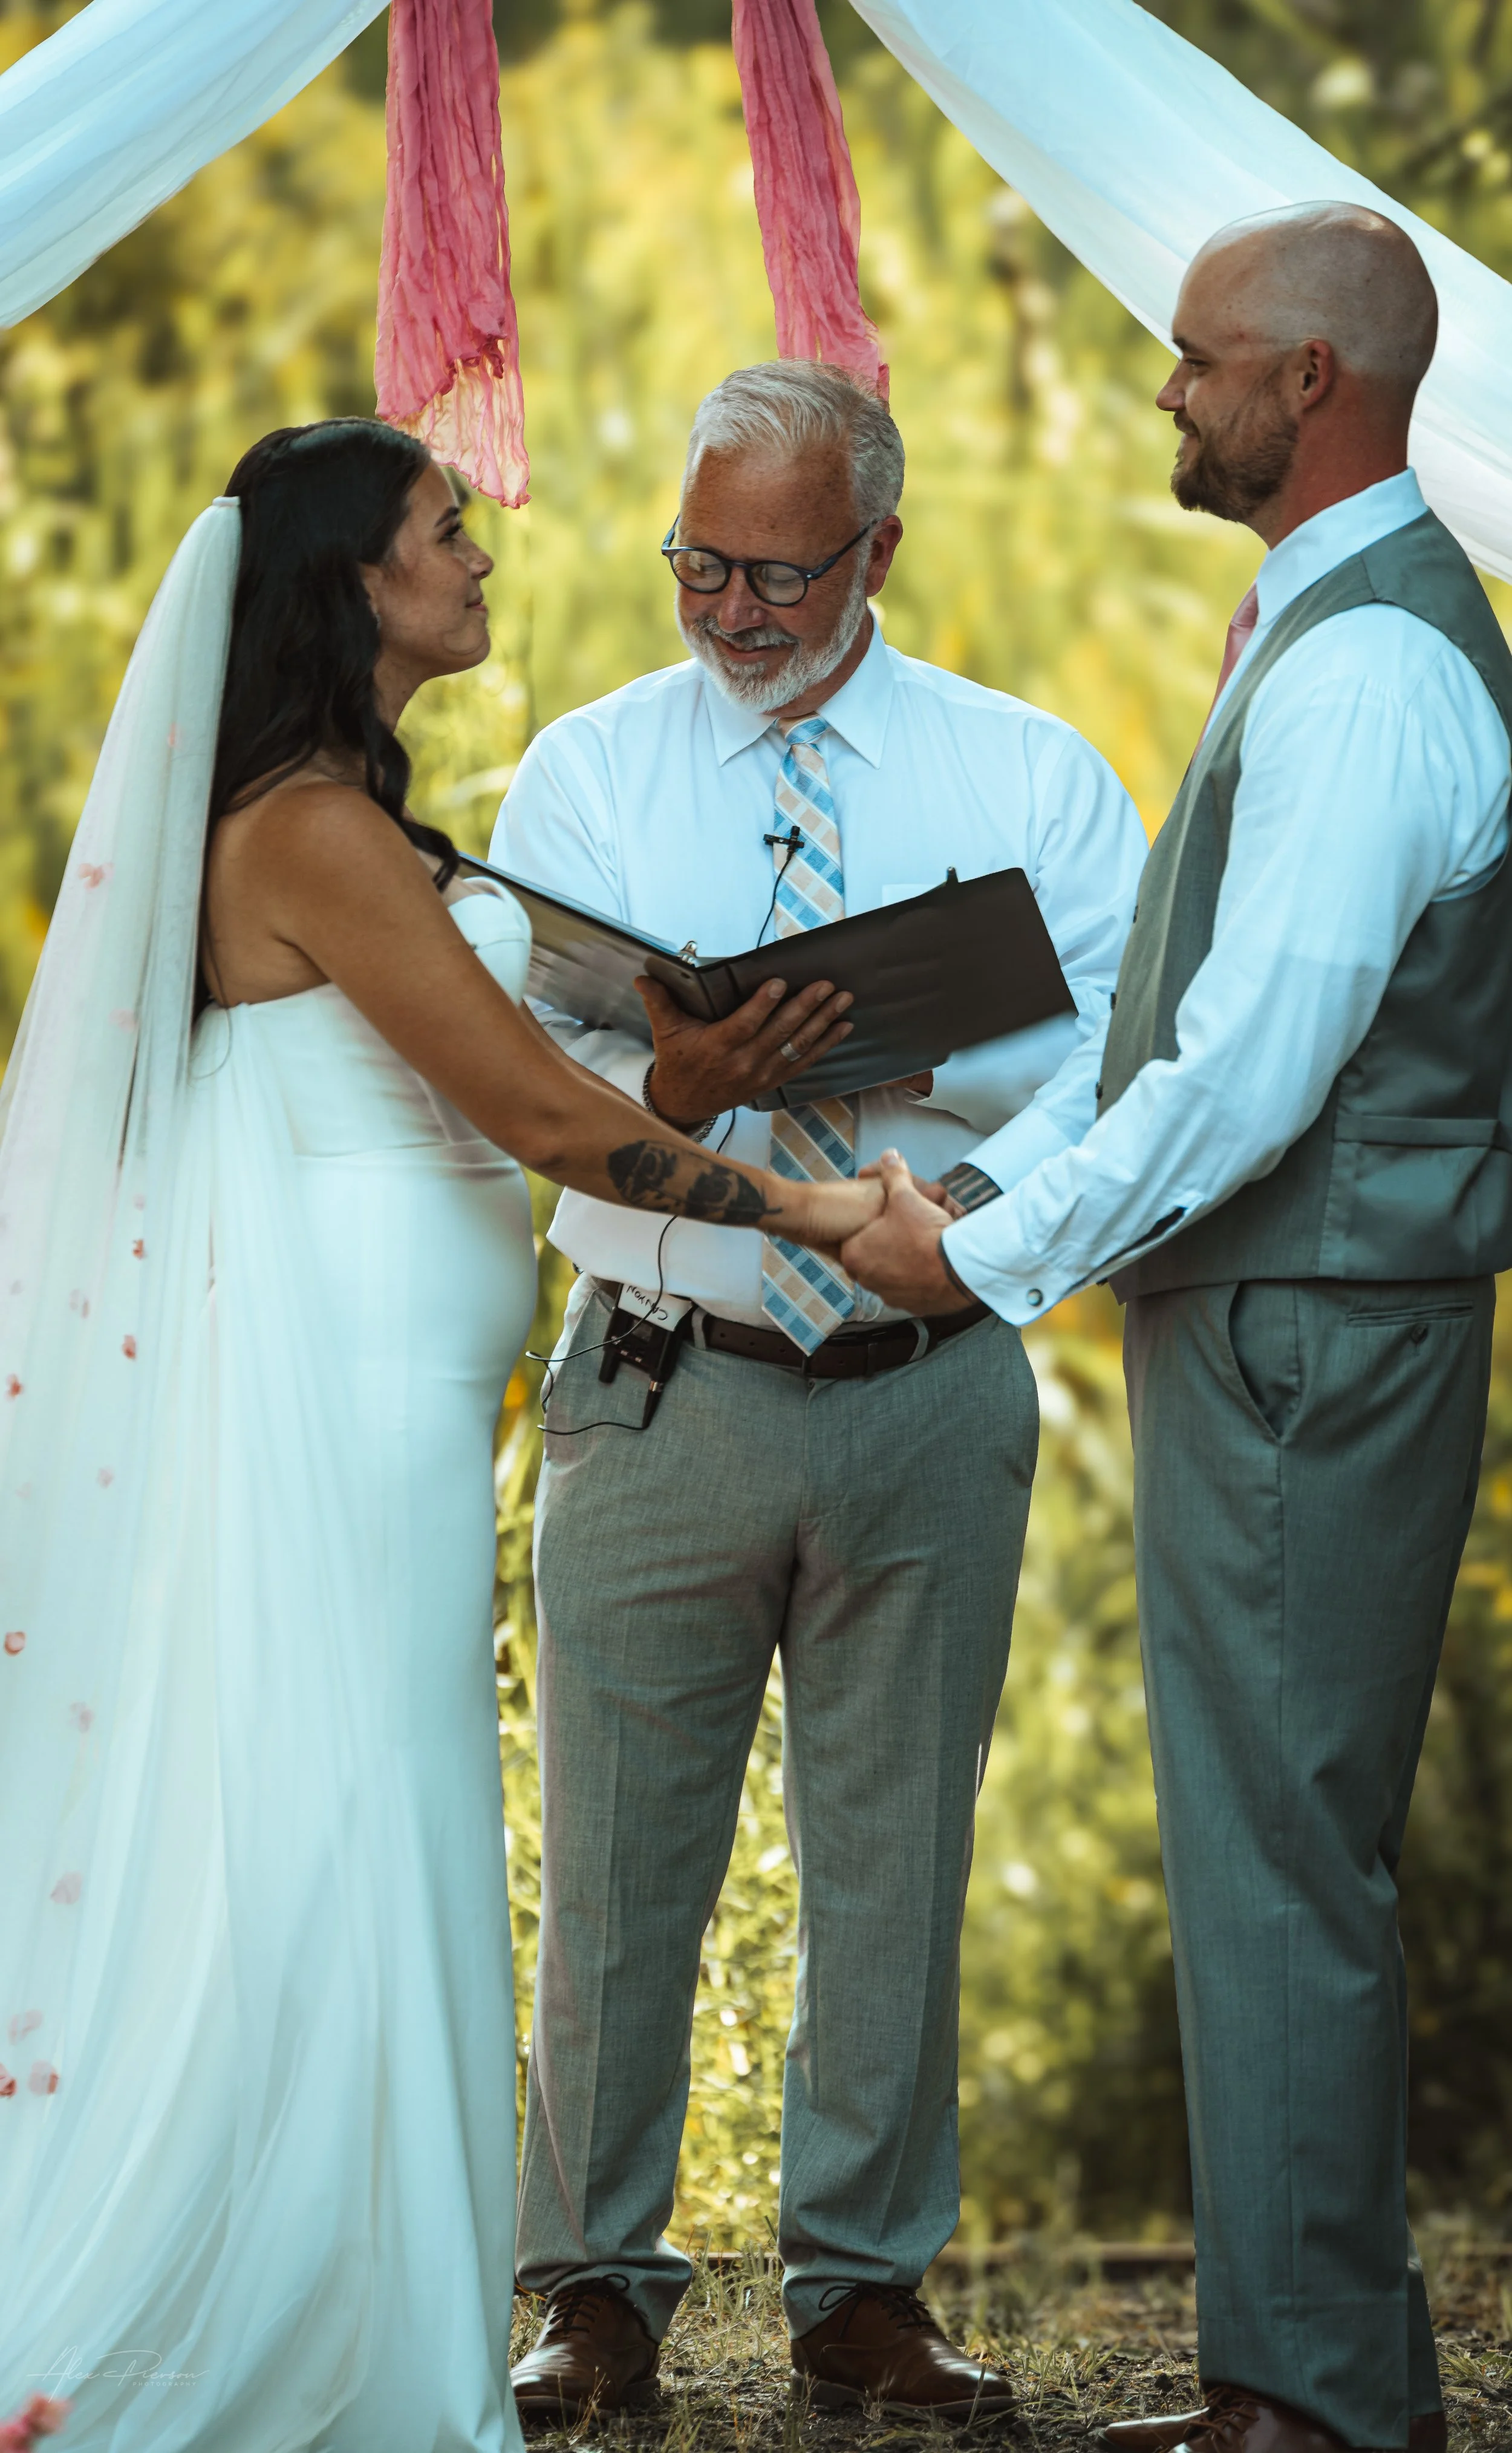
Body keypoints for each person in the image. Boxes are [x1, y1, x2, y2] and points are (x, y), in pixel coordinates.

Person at [0, 419, 882, 2452]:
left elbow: (518, 1074)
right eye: (439, 534)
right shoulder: (302, 824)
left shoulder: (367, 821)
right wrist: (823, 1210)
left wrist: (676, 1069)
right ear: (345, 587)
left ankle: (356, 2320)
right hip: (328, 1409)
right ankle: (293, 2332)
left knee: (374, 1817)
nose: (478, 558)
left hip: (393, 1417)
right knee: (335, 1823)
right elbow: (549, 1122)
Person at [841, 206, 1512, 2453]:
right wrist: (998, 1196)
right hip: (1291, 1311)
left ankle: (1306, 2407)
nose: (1167, 388)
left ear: (1308, 383)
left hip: (1308, 1327)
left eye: (1200, 356)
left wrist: (984, 1257)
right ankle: (1328, 2374)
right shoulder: (1333, 634)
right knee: (1273, 1833)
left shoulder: (1369, 672)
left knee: (1278, 1844)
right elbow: (1186, 1054)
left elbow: (1250, 1063)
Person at [489, 359, 1146, 2421]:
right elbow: (514, 1062)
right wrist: (663, 1087)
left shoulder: (1027, 773)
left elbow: (1129, 1051)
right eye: (698, 561)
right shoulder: (585, 777)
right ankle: (590, 2286)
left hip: (928, 1375)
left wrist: (950, 1200)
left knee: (896, 1854)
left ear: (879, 545)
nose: (731, 607)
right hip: (665, 1377)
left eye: (776, 569)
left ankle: (863, 2292)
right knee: (612, 1863)